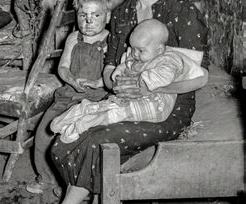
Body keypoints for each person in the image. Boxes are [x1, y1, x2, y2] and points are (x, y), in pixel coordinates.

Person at [39, 0, 209, 204]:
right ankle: (102, 190)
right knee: (66, 137)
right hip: (125, 96)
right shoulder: (121, 13)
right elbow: (108, 69)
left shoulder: (183, 12)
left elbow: (197, 78)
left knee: (94, 139)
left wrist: (148, 84)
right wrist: (118, 83)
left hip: (168, 107)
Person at [50, 19, 205, 143]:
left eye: (140, 50)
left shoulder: (170, 59)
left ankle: (84, 123)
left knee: (118, 112)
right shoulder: (140, 56)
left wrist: (141, 80)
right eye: (133, 49)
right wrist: (119, 72)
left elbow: (164, 76)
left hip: (156, 104)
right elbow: (127, 65)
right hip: (133, 98)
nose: (135, 54)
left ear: (159, 49)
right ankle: (83, 110)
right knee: (109, 103)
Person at [25, 0, 110, 194]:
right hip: (70, 95)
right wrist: (71, 80)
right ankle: (46, 177)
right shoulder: (73, 38)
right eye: (83, 15)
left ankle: (77, 184)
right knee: (45, 133)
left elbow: (115, 72)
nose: (88, 21)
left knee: (83, 138)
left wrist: (100, 82)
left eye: (95, 15)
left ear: (107, 17)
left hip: (97, 98)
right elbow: (62, 67)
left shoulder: (111, 40)